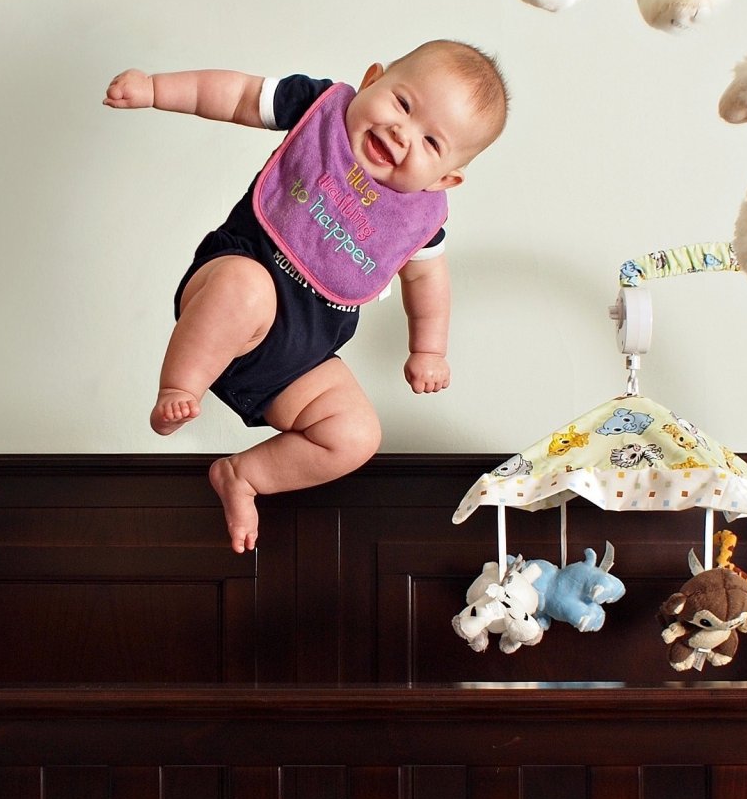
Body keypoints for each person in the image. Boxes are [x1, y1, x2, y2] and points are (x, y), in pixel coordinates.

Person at [105, 41, 509, 552]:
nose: (402, 134)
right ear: (371, 79)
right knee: (247, 290)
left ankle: (243, 476)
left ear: (446, 179)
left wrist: (428, 350)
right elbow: (237, 95)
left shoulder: (417, 223)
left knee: (356, 435)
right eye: (402, 104)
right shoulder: (320, 111)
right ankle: (180, 388)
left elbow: (428, 283)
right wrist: (156, 89)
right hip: (230, 289)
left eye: (431, 143)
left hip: (299, 356)